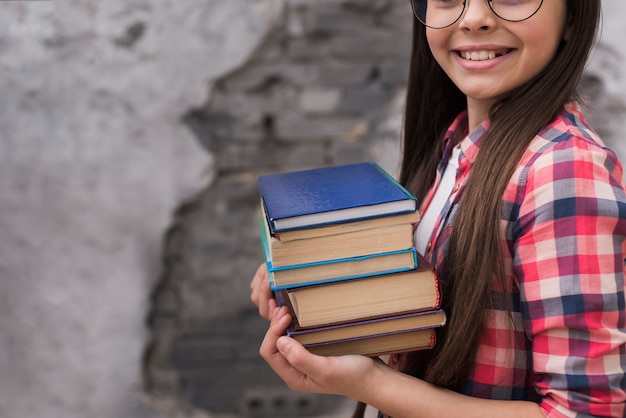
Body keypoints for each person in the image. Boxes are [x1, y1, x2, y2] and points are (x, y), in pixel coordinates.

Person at [249, 0, 626, 416]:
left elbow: (584, 412)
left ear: (571, 16)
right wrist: (309, 294)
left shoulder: (563, 169)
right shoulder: (458, 145)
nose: (474, 18)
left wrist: (372, 384)